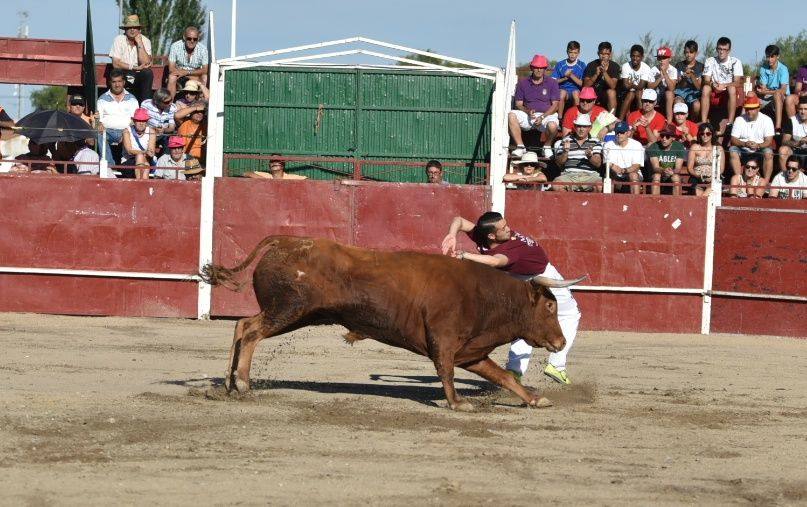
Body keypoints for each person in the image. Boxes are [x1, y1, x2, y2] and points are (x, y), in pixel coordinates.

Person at [441, 212, 581, 385]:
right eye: (503, 228)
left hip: (524, 277)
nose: (509, 230)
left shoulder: (508, 244)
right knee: (571, 314)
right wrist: (452, 235)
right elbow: (459, 221)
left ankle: (515, 370)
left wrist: (462, 251)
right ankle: (557, 365)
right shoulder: (498, 243)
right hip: (539, 277)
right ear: (491, 235)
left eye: (506, 225)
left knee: (523, 322)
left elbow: (495, 262)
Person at [509, 54, 561, 158]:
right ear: (532, 68)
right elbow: (518, 104)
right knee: (511, 115)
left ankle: (547, 146)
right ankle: (520, 147)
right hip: (528, 115)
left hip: (546, 115)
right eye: (536, 67)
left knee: (553, 126)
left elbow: (555, 105)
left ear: (545, 69)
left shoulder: (552, 82)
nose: (539, 70)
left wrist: (542, 117)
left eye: (541, 67)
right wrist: (527, 111)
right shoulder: (522, 83)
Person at [96, 69, 139, 164]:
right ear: (110, 83)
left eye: (119, 81)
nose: (117, 85)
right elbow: (99, 119)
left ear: (124, 82)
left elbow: (135, 120)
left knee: (132, 133)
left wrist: (126, 132)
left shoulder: (132, 99)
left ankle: (127, 164)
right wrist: (99, 124)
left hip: (126, 131)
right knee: (99, 133)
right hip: (107, 131)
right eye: (114, 82)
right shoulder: (102, 99)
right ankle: (109, 165)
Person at [701, 37, 743, 131]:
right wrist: (713, 85)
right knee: (705, 88)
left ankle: (730, 123)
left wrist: (724, 85)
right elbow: (706, 80)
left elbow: (737, 82)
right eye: (720, 49)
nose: (721, 52)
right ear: (716, 49)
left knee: (731, 88)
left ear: (729, 51)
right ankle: (703, 123)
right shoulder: (710, 60)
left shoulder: (736, 62)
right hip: (714, 90)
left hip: (727, 92)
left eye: (724, 49)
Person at [729, 94, 775, 180]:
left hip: (759, 150)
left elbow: (769, 141)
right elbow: (733, 139)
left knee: (768, 152)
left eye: (752, 109)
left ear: (758, 108)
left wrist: (758, 145)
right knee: (732, 150)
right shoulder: (739, 119)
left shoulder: (767, 120)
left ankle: (765, 181)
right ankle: (740, 181)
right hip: (743, 149)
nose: (749, 111)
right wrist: (744, 143)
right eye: (747, 109)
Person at [553, 113, 603, 191]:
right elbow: (559, 162)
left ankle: (590, 203)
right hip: (569, 175)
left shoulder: (595, 141)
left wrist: (590, 156)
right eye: (579, 126)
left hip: (590, 175)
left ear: (590, 128)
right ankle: (568, 203)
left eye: (584, 127)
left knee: (600, 186)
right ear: (575, 127)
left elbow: (598, 164)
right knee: (556, 185)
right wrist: (565, 152)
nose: (581, 129)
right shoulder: (566, 140)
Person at [109, 14, 153, 102]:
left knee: (147, 73)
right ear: (125, 30)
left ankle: (145, 105)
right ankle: (115, 101)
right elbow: (116, 63)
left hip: (138, 76)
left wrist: (140, 43)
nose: (132, 30)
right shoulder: (119, 39)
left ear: (139, 29)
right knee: (116, 72)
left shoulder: (145, 41)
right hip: (123, 74)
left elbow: (147, 63)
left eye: (135, 27)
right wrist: (134, 67)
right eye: (129, 27)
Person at [167, 26, 210, 98]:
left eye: (195, 39)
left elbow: (205, 70)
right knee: (172, 77)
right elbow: (171, 69)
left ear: (198, 39)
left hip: (194, 76)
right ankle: (169, 104)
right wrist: (184, 73)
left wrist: (186, 72)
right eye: (189, 38)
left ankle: (201, 102)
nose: (192, 41)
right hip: (179, 76)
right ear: (184, 37)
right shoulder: (175, 46)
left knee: (204, 77)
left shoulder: (203, 49)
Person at [756, 44, 790, 132]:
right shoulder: (763, 68)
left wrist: (766, 91)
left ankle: (778, 127)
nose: (769, 59)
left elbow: (783, 90)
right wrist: (763, 91)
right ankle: (747, 126)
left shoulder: (783, 69)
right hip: (768, 96)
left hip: (782, 96)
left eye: (772, 57)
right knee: (751, 97)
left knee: (777, 95)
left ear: (777, 56)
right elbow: (763, 88)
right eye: (768, 57)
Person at [604, 121, 644, 194]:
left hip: (631, 173)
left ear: (628, 133)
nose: (619, 134)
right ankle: (608, 203)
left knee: (633, 176)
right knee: (610, 175)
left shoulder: (637, 145)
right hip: (615, 173)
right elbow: (608, 164)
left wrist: (624, 170)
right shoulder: (608, 145)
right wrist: (614, 167)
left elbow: (636, 166)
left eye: (622, 132)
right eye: (617, 132)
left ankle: (636, 202)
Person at [687, 122, 725, 196]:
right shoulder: (695, 147)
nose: (705, 136)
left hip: (714, 178)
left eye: (708, 133)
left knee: (707, 193)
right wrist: (699, 176)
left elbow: (721, 169)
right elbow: (690, 168)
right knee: (698, 193)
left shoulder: (719, 148)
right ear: (699, 135)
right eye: (702, 133)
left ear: (712, 134)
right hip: (696, 177)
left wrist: (712, 177)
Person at [647, 125, 686, 196]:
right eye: (662, 136)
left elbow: (678, 168)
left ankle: (676, 204)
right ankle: (655, 203)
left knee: (676, 178)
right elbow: (655, 168)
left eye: (667, 136)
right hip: (658, 173)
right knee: (656, 176)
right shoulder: (654, 146)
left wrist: (672, 172)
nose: (664, 139)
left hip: (672, 174)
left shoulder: (679, 147)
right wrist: (663, 171)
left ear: (673, 138)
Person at [551, 41, 586, 118]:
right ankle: (560, 118)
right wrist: (565, 78)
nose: (572, 55)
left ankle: (576, 118)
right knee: (562, 93)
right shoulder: (560, 64)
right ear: (567, 52)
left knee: (576, 93)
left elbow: (582, 84)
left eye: (575, 53)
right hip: (563, 90)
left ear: (578, 53)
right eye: (570, 52)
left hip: (576, 90)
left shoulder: (582, 65)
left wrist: (571, 75)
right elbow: (553, 82)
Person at [582, 41, 620, 113]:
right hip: (593, 94)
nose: (604, 56)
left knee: (611, 92)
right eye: (601, 54)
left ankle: (611, 120)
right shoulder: (591, 65)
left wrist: (604, 72)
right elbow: (585, 85)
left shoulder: (615, 66)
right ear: (598, 53)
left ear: (610, 54)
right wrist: (596, 74)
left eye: (606, 54)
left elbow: (613, 86)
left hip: (606, 96)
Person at [121, 108, 156, 179]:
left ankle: (140, 185)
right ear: (134, 121)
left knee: (143, 161)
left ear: (147, 122)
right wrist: (144, 152)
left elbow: (151, 151)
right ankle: (143, 186)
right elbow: (129, 151)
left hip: (147, 159)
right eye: (138, 120)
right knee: (142, 160)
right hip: (129, 162)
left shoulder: (151, 131)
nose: (141, 123)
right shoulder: (126, 131)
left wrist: (145, 154)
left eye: (143, 121)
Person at [619, 44, 651, 120]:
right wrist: (633, 86)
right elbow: (625, 86)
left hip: (640, 92)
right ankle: (620, 120)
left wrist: (631, 85)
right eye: (633, 56)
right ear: (630, 56)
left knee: (638, 92)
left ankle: (642, 118)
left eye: (638, 56)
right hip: (626, 92)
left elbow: (641, 86)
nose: (635, 58)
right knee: (630, 94)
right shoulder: (626, 66)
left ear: (642, 57)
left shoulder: (646, 68)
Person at [674, 40, 704, 121]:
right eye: (686, 52)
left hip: (694, 94)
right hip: (681, 93)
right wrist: (684, 78)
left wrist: (692, 76)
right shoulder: (679, 65)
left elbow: (699, 87)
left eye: (691, 52)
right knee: (678, 103)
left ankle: (692, 124)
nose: (688, 55)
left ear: (696, 53)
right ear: (684, 52)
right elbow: (679, 85)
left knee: (697, 105)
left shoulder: (701, 67)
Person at [647, 47, 678, 121]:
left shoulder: (673, 70)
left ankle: (669, 123)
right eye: (660, 58)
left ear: (669, 59)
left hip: (667, 97)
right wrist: (660, 78)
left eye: (664, 58)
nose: (661, 60)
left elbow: (672, 88)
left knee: (669, 93)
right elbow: (649, 87)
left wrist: (664, 73)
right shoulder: (653, 70)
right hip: (656, 95)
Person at [779, 96, 807, 168]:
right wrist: (798, 143)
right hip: (795, 150)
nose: (803, 112)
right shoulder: (791, 121)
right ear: (797, 109)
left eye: (806, 109)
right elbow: (785, 141)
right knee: (783, 150)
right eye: (801, 109)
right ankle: (785, 175)